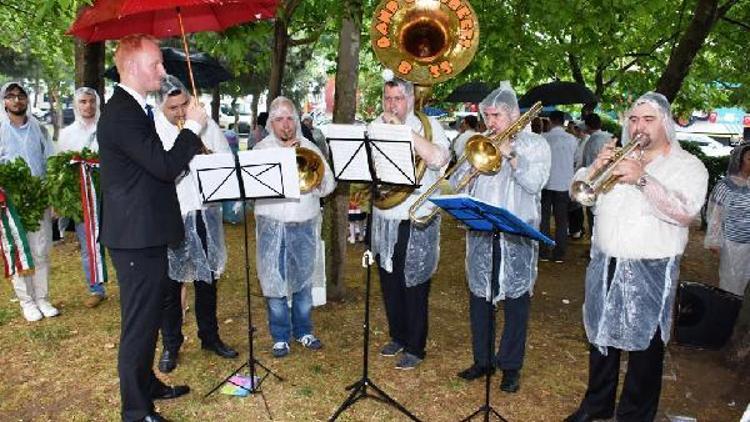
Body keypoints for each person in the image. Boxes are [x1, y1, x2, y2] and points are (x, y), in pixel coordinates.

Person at [565, 92, 708, 422]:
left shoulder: (687, 166)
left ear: (665, 123)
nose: (638, 126)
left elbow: (685, 213)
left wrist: (643, 178)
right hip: (606, 263)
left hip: (652, 268)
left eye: (647, 119)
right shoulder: (615, 156)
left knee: (646, 347)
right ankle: (597, 404)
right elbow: (581, 194)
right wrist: (597, 168)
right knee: (601, 338)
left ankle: (635, 414)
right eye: (633, 119)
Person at [98, 34, 208, 422]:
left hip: (146, 232)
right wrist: (193, 129)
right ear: (131, 67)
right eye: (156, 64)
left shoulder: (135, 107)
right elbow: (163, 166)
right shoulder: (122, 112)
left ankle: (147, 384)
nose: (163, 71)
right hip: (133, 237)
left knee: (147, 318)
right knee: (139, 325)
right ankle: (136, 410)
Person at [452, 82, 550, 393]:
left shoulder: (536, 145)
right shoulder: (480, 143)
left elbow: (535, 184)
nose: (490, 122)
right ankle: (483, 360)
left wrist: (512, 157)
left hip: (516, 233)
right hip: (482, 230)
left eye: (496, 115)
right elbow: (456, 184)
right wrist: (470, 173)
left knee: (516, 301)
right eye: (487, 116)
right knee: (480, 296)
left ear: (513, 114)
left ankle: (510, 365)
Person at [153, 75, 238, 374]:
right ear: (161, 105)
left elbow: (227, 162)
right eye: (172, 107)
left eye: (184, 104)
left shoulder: (206, 122)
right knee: (171, 285)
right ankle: (171, 344)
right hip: (172, 214)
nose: (179, 112)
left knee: (207, 279)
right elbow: (161, 170)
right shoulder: (155, 129)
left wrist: (211, 156)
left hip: (204, 212)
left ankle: (209, 336)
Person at [373, 76, 450, 370]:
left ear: (410, 100)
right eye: (388, 99)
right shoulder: (375, 125)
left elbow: (438, 159)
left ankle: (416, 346)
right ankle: (398, 335)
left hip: (416, 216)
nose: (391, 105)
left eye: (398, 99)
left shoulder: (429, 126)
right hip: (384, 215)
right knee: (388, 281)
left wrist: (404, 132)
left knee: (414, 284)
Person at [254, 96, 335, 358]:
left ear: (296, 121)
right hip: (272, 224)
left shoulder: (311, 147)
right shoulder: (261, 151)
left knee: (303, 281)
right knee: (273, 280)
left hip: (304, 223)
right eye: (279, 119)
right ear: (271, 123)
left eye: (290, 118)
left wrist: (317, 172)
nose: (285, 124)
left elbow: (329, 186)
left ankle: (303, 330)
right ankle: (280, 335)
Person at [0, 81, 59, 322]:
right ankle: (27, 301)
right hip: (10, 203)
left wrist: (53, 195)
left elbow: (50, 160)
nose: (16, 100)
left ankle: (42, 298)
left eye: (20, 95)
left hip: (39, 198)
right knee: (18, 251)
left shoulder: (39, 129)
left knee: (41, 250)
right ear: (4, 101)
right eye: (10, 96)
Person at [57, 86, 107, 308]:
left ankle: (130, 285)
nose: (88, 106)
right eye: (83, 102)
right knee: (89, 245)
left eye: (91, 101)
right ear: (76, 105)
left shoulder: (107, 129)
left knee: (119, 242)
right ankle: (96, 288)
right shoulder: (67, 134)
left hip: (109, 194)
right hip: (82, 199)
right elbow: (60, 168)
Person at [704, 143, 750, 297]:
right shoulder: (727, 186)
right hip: (733, 243)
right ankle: (729, 312)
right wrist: (714, 240)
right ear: (740, 161)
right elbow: (715, 214)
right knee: (731, 282)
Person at [540, 110, 578, 263]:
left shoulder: (543, 138)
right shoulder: (572, 139)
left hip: (546, 183)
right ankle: (559, 253)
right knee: (562, 220)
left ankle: (543, 250)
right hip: (563, 184)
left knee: (544, 218)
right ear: (563, 122)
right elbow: (577, 160)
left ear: (550, 121)